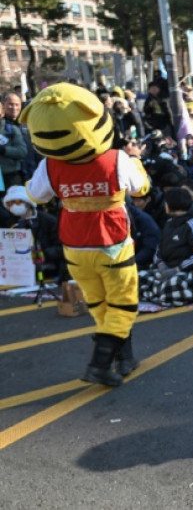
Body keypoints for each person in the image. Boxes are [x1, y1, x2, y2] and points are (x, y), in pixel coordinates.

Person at [21, 83, 150, 387]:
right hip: (112, 242)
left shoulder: (50, 164)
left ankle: (124, 357)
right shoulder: (116, 159)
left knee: (99, 303)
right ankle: (100, 362)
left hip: (75, 245)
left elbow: (36, 195)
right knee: (122, 304)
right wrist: (135, 160)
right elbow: (141, 188)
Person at [139, 187, 193, 306]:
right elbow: (159, 248)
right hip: (166, 268)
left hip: (188, 270)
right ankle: (157, 293)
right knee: (138, 277)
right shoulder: (169, 223)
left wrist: (178, 269)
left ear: (170, 205)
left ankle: (154, 293)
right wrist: (161, 265)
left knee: (173, 284)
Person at [2, 185, 64, 280]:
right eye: (10, 203)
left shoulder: (49, 221)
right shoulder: (9, 224)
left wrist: (43, 255)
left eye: (18, 202)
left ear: (28, 203)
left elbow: (62, 247)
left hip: (49, 270)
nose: (14, 206)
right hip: (19, 274)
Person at [1, 93, 29, 189]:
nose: (14, 108)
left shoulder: (27, 124)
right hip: (8, 175)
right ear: (3, 105)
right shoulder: (5, 126)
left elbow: (25, 151)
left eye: (17, 104)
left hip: (26, 174)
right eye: (10, 104)